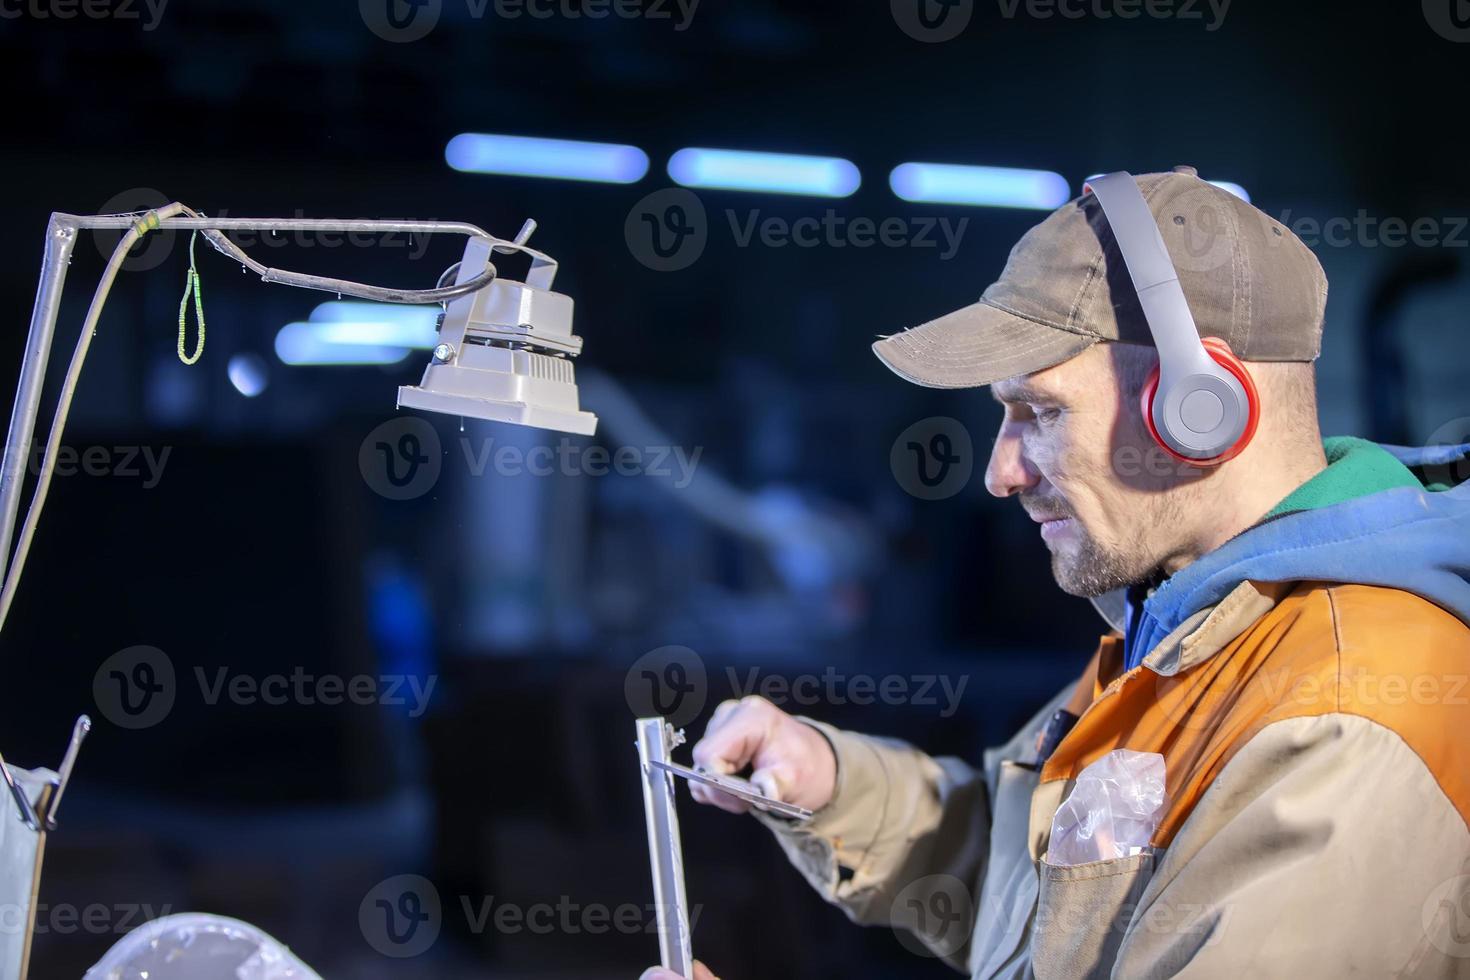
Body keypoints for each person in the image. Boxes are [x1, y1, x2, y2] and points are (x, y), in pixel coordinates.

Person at [641, 167, 1470, 979]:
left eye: (1038, 412)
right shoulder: (1192, 625)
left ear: (1200, 405)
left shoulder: (1340, 709)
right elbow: (1050, 902)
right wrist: (830, 785)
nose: (1001, 473)